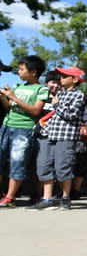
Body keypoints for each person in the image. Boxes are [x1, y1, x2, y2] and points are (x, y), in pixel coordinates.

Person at [27, 66, 87, 211]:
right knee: (43, 165)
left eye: (64, 76)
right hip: (49, 134)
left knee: (63, 166)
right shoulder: (59, 94)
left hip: (65, 136)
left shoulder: (79, 95)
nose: (61, 78)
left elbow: (71, 115)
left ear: (74, 79)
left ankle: (65, 198)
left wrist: (56, 104)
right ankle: (46, 198)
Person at [0, 55, 48, 207]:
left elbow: (35, 111)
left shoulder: (41, 89)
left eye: (21, 69)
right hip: (6, 126)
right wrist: (4, 98)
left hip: (24, 130)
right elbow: (9, 108)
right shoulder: (18, 87)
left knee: (17, 161)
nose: (18, 72)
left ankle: (10, 197)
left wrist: (13, 97)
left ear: (33, 72)